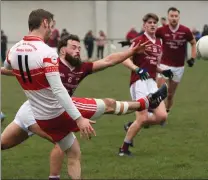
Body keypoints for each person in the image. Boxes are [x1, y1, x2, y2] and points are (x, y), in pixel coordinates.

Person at [1, 33, 167, 179]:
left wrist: (130, 52)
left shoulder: (81, 68)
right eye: (73, 47)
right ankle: (145, 102)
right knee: (66, 142)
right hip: (35, 112)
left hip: (47, 111)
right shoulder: (52, 63)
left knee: (5, 144)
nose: (78, 50)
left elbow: (108, 60)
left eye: (79, 47)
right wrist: (3, 69)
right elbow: (19, 70)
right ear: (62, 50)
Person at [3, 9, 96, 180]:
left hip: (30, 108)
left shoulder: (13, 50)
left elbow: (7, 68)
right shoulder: (46, 52)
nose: (52, 30)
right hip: (47, 112)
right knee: (70, 148)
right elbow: (59, 90)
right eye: (52, 25)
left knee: (70, 149)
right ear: (45, 22)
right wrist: (78, 118)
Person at [118, 13, 173, 156]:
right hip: (138, 82)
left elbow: (155, 64)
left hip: (152, 83)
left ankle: (131, 125)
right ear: (144, 25)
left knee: (162, 116)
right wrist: (137, 68)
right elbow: (124, 59)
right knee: (142, 118)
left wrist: (163, 71)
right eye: (150, 22)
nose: (153, 24)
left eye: (155, 22)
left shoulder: (159, 43)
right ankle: (124, 149)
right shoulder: (139, 40)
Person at [155, 7, 197, 114]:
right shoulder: (161, 30)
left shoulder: (185, 31)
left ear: (179, 17)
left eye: (176, 16)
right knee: (159, 91)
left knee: (170, 95)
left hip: (179, 67)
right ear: (168, 17)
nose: (174, 18)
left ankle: (166, 112)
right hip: (164, 65)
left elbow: (193, 43)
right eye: (171, 16)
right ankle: (156, 113)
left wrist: (192, 58)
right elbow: (148, 36)